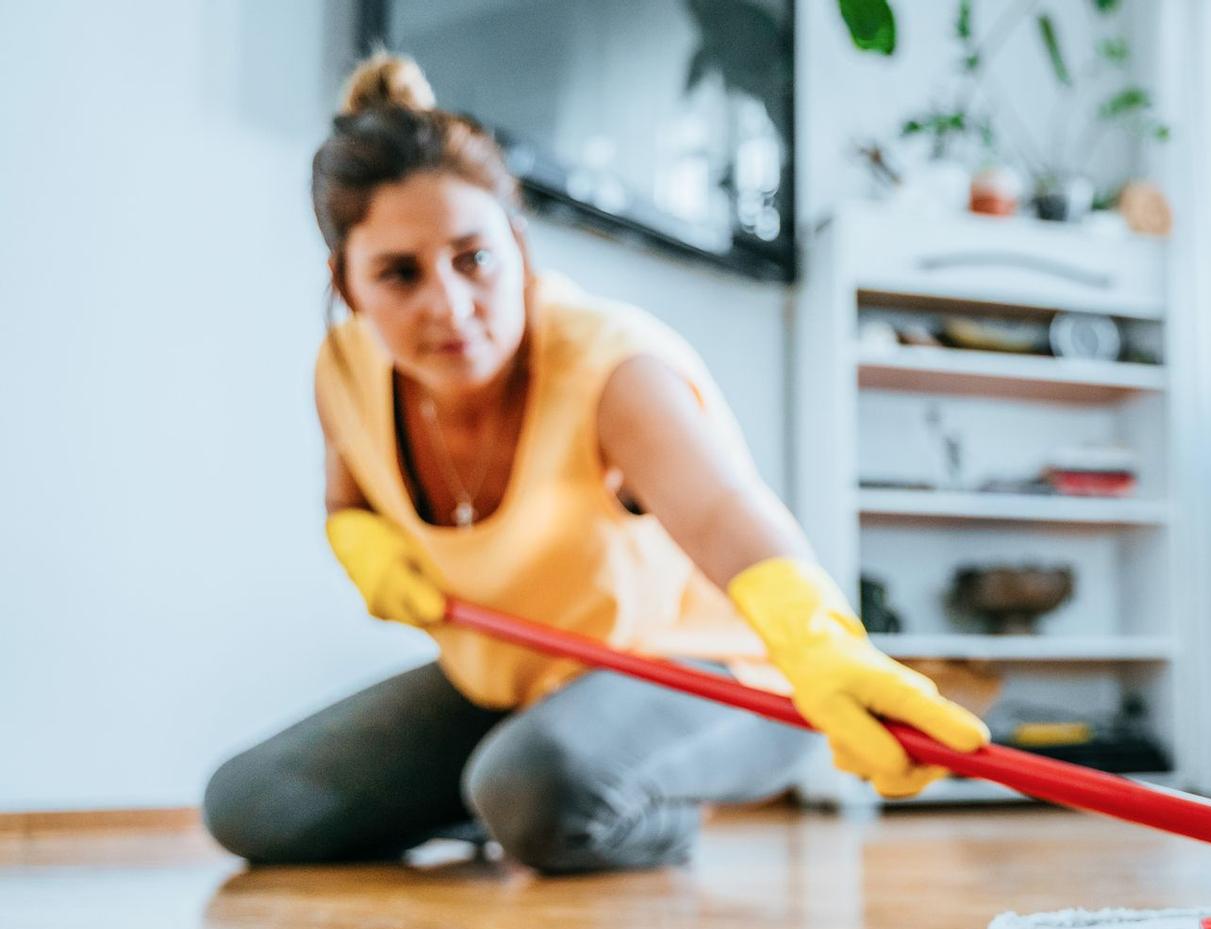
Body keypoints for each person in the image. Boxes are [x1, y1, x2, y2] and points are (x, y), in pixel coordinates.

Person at [202, 53, 987, 874]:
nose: (450, 305)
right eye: (400, 274)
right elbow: (349, 504)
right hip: (513, 680)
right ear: (348, 283)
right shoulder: (344, 371)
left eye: (474, 258)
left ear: (519, 245)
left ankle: (598, 807)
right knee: (255, 805)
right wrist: (361, 543)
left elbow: (724, 512)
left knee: (534, 787)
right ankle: (512, 805)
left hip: (714, 675)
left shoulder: (611, 366)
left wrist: (819, 644)